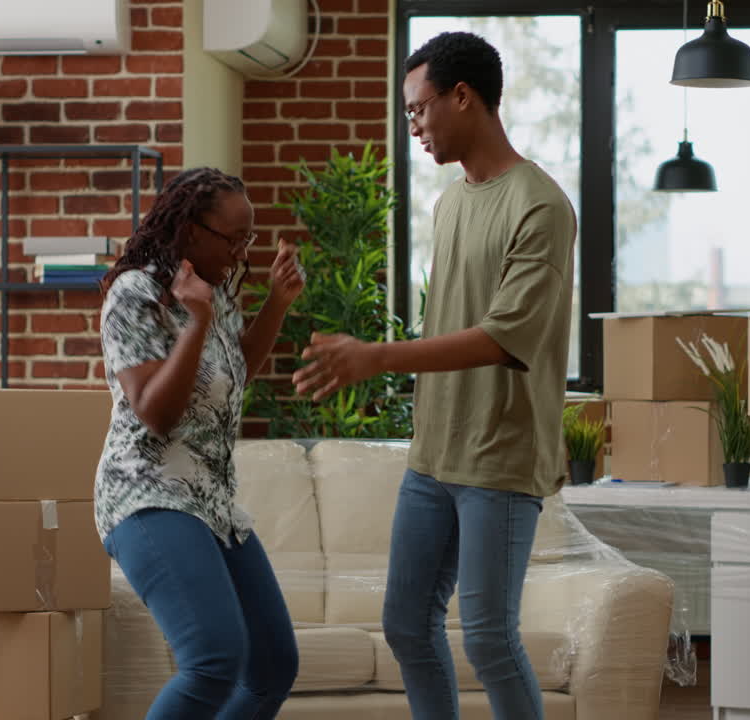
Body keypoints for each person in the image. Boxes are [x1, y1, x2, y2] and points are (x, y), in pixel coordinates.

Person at [291, 31, 576, 720]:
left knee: (487, 638)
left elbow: (507, 338)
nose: (412, 126)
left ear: (462, 96)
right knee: (407, 626)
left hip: (500, 459)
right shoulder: (450, 203)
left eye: (418, 110)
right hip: (434, 457)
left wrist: (376, 357)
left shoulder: (539, 205)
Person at [95, 167, 305, 719]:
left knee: (273, 665)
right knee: (214, 658)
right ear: (189, 228)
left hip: (210, 500)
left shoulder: (211, 292)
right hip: (146, 494)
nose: (241, 252)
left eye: (249, 239)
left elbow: (232, 371)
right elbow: (156, 412)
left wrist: (277, 304)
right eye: (232, 238)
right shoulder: (135, 293)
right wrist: (196, 323)